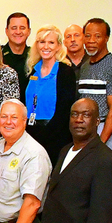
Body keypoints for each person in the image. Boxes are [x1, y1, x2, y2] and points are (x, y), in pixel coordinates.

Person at [23, 25, 76, 164]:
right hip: (30, 134)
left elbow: (65, 110)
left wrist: (44, 134)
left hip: (55, 138)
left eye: (51, 42)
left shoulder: (65, 72)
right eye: (42, 42)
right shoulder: (32, 71)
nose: (46, 46)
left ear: (58, 46)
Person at [77, 18, 112, 155]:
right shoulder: (85, 66)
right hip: (84, 129)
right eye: (88, 36)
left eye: (97, 36)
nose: (91, 40)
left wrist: (99, 143)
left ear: (106, 38)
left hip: (103, 130)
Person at [1, 12, 31, 98]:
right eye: (14, 28)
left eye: (22, 28)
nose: (18, 32)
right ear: (7, 31)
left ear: (29, 31)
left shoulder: (36, 56)